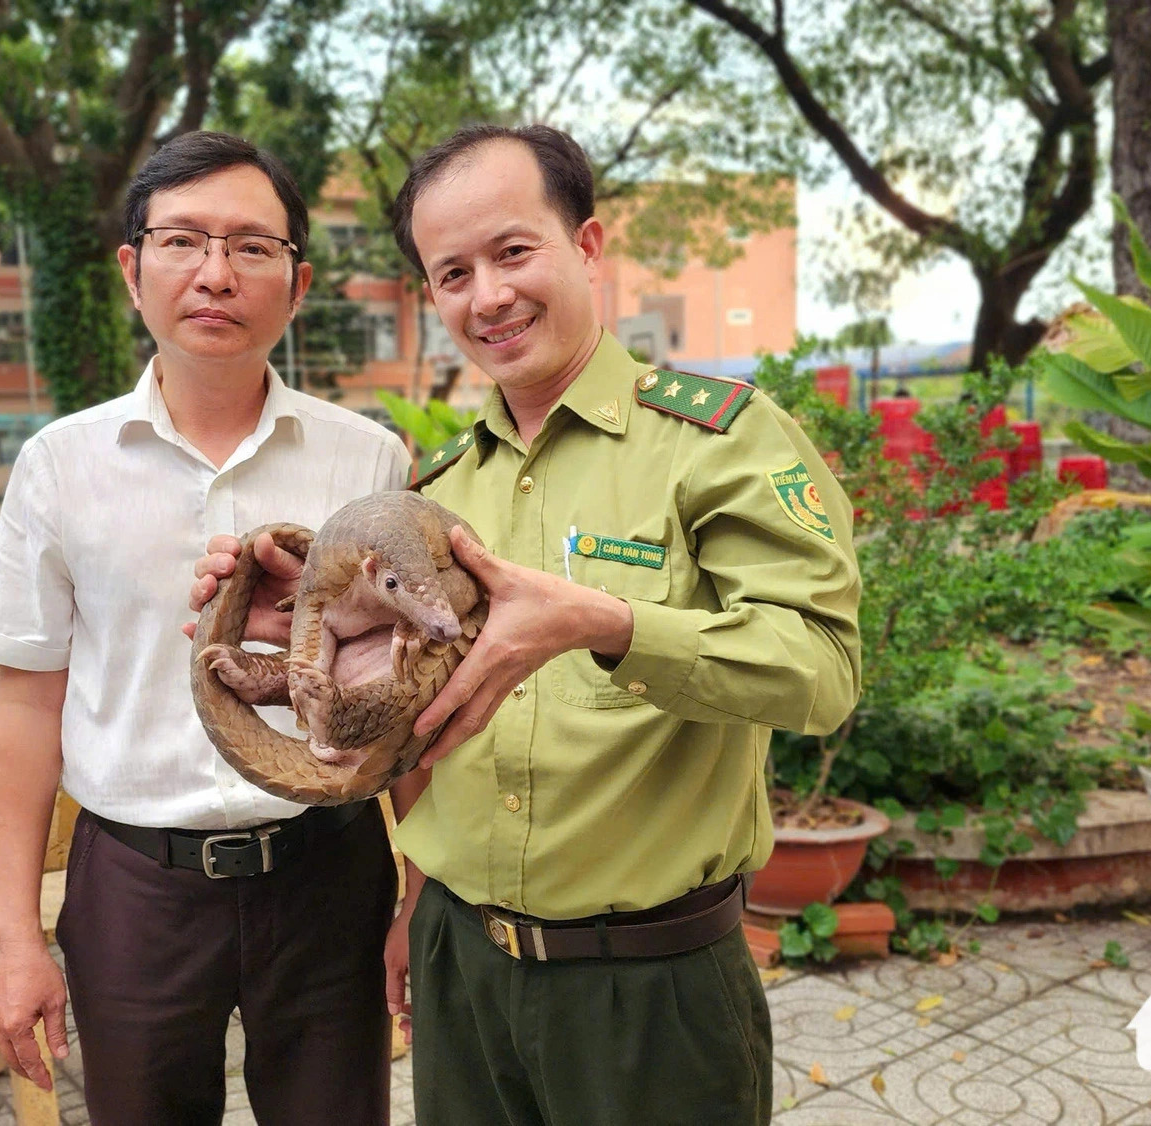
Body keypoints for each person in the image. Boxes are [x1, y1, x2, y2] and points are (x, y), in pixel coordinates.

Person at [198, 124, 863, 1124]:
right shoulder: (434, 497)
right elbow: (410, 728)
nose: (489, 296)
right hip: (458, 963)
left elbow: (819, 672)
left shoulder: (712, 443)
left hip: (649, 986)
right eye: (452, 272)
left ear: (587, 246)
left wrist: (602, 621)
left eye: (513, 252)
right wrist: (298, 638)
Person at [0, 131, 411, 1126]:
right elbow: (27, 702)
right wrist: (16, 934)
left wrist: (416, 893)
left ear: (296, 285)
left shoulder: (367, 460)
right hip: (133, 888)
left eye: (252, 247)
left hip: (327, 872)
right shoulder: (58, 464)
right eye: (183, 241)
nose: (215, 273)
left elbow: (404, 699)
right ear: (132, 270)